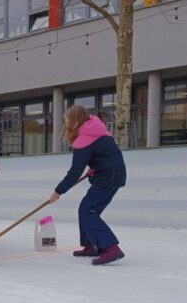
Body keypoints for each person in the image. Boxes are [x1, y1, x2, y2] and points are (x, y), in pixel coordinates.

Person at [47, 104, 127, 265]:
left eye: (67, 120)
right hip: (112, 174)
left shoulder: (84, 139)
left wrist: (58, 191)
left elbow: (75, 172)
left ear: (75, 121)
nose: (66, 124)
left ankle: (111, 248)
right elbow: (104, 154)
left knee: (88, 210)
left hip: (108, 177)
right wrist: (95, 167)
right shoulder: (96, 129)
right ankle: (90, 245)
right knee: (86, 209)